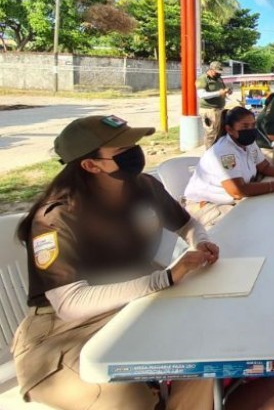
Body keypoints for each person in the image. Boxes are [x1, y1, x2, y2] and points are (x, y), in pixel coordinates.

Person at [11, 115, 219, 409]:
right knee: (128, 397)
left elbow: (187, 224)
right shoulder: (57, 217)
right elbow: (69, 303)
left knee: (203, 352)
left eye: (134, 145)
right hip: (64, 333)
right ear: (90, 165)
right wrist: (165, 278)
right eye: (123, 152)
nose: (135, 154)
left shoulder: (143, 186)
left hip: (133, 306)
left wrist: (202, 242)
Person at [184, 106, 274, 228]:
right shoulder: (224, 152)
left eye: (253, 125)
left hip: (233, 200)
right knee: (251, 225)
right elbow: (237, 191)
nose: (250, 129)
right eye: (245, 126)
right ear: (229, 130)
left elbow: (264, 167)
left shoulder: (248, 143)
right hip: (208, 206)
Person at [196, 61, 232, 148]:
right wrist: (219, 93)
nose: (219, 74)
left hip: (219, 109)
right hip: (209, 110)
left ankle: (217, 151)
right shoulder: (203, 79)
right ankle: (209, 154)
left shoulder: (219, 79)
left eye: (220, 72)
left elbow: (223, 90)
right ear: (211, 70)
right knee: (211, 134)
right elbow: (201, 95)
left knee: (220, 133)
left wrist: (227, 91)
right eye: (217, 72)